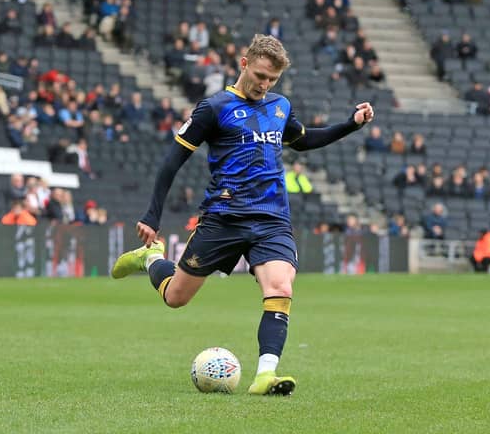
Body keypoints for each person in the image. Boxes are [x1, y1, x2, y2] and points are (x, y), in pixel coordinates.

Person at [110, 34, 374, 396]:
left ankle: (266, 374)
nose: (264, 86)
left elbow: (305, 140)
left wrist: (351, 124)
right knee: (176, 298)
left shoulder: (280, 107)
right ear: (244, 64)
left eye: (272, 80)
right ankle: (152, 258)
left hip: (272, 218)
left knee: (281, 287)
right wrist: (152, 215)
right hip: (224, 215)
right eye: (261, 76)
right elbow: (172, 160)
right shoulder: (214, 108)